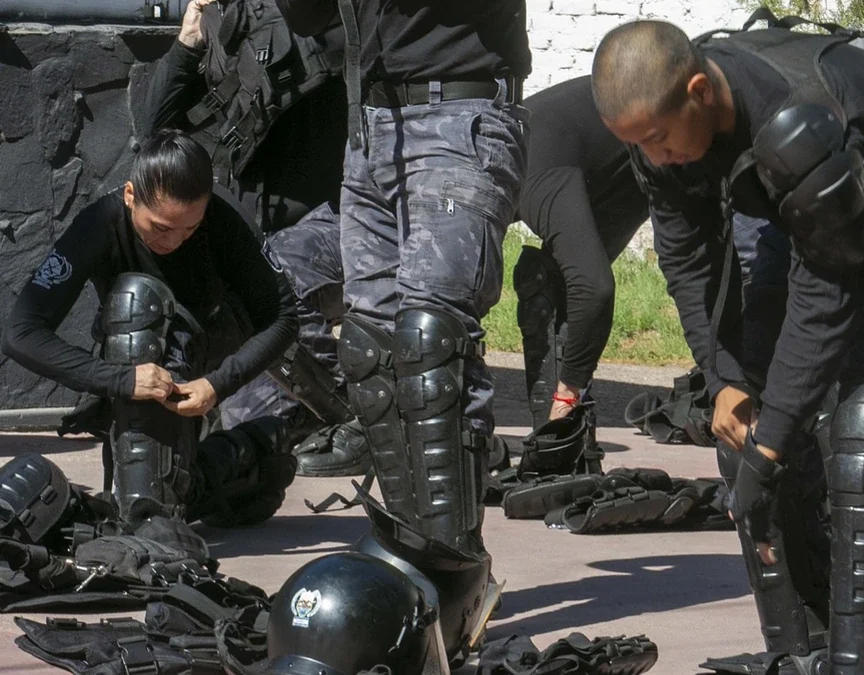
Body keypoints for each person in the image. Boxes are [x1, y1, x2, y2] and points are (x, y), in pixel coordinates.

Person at [591, 11, 864, 675]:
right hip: (801, 206)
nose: (653, 156)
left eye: (657, 137)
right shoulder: (667, 129)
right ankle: (803, 651)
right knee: (746, 424)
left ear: (699, 91)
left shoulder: (804, 118)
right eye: (637, 144)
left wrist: (774, 435)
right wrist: (723, 378)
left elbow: (826, 298)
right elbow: (688, 262)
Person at [275, 0, 530, 667]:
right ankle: (417, 566)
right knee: (373, 351)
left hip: (461, 113)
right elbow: (307, 20)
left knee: (430, 340)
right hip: (371, 125)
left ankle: (453, 579)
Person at [1, 128, 300, 528]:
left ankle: (171, 494)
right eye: (160, 227)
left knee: (150, 518)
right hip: (133, 351)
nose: (174, 240)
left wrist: (217, 384)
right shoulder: (97, 224)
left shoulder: (224, 218)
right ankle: (250, 452)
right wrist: (121, 380)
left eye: (190, 229)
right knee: (148, 508)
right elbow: (21, 332)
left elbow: (284, 318)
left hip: (215, 338)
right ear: (129, 195)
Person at [143, 0, 369, 477]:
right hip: (256, 245)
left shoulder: (315, 20)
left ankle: (364, 418)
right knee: (251, 433)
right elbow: (152, 134)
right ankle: (296, 423)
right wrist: (188, 44)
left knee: (275, 274)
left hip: (339, 223)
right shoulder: (225, 34)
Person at [513, 74, 650, 429]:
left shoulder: (532, 172)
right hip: (619, 154)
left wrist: (567, 390)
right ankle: (559, 435)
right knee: (553, 285)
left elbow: (595, 288)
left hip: (633, 149)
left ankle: (562, 416)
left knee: (572, 286)